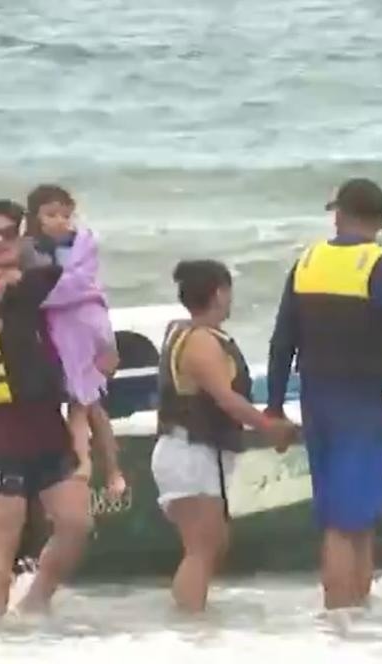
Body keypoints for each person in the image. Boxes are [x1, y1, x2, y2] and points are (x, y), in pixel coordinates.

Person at [0, 199, 90, 617]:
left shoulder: (41, 281)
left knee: (77, 524)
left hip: (45, 421)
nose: (0, 243)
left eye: (8, 233)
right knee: (3, 540)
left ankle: (36, 602)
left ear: (22, 237)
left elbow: (82, 294)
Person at [267, 177, 382, 611]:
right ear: (381, 219)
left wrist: (276, 407)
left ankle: (350, 621)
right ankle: (343, 621)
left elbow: (283, 341)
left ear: (342, 213)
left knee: (345, 517)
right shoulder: (380, 265)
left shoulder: (307, 262)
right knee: (352, 519)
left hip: (317, 401)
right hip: (362, 402)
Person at [153, 260, 297, 614]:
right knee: (202, 548)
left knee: (213, 543)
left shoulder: (186, 330)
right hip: (189, 452)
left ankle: (190, 620)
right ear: (219, 293)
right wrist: (271, 427)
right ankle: (190, 626)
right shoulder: (201, 342)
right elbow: (227, 399)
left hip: (195, 451)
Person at [23, 184, 125, 494]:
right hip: (56, 330)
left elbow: (80, 283)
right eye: (51, 214)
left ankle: (94, 467)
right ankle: (94, 468)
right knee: (81, 402)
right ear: (35, 217)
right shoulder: (29, 249)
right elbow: (32, 287)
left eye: (65, 215)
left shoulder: (82, 243)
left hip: (86, 326)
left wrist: (45, 294)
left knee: (86, 402)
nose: (59, 221)